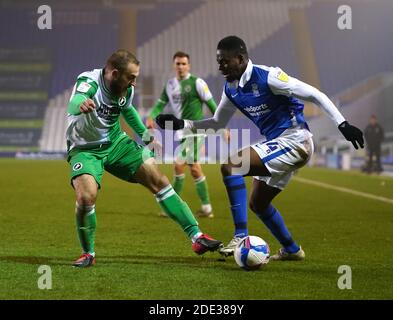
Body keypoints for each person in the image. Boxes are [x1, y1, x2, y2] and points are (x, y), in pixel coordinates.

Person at [155, 36, 364, 261]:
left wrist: (342, 124)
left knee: (232, 165)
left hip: (296, 140)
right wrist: (183, 124)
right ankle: (292, 250)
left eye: (225, 61)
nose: (220, 67)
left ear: (241, 58)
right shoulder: (231, 89)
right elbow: (217, 123)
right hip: (277, 143)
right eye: (218, 62)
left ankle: (239, 236)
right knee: (258, 203)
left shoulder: (269, 77)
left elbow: (315, 94)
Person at [66, 49, 222, 268]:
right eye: (131, 77)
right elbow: (76, 100)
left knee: (158, 179)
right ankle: (88, 253)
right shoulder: (89, 81)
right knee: (86, 197)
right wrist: (81, 104)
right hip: (85, 149)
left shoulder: (125, 90)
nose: (134, 83)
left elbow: (127, 111)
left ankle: (197, 237)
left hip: (116, 144)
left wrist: (147, 138)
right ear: (114, 73)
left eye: (135, 78)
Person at [146, 51, 227, 218]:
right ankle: (206, 208)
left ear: (188, 65)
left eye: (184, 63)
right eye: (178, 63)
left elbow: (212, 104)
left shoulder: (197, 82)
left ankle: (174, 207)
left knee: (178, 163)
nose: (181, 66)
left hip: (196, 129)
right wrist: (151, 117)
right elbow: (160, 104)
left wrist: (222, 126)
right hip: (181, 131)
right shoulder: (170, 85)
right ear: (174, 65)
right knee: (195, 169)